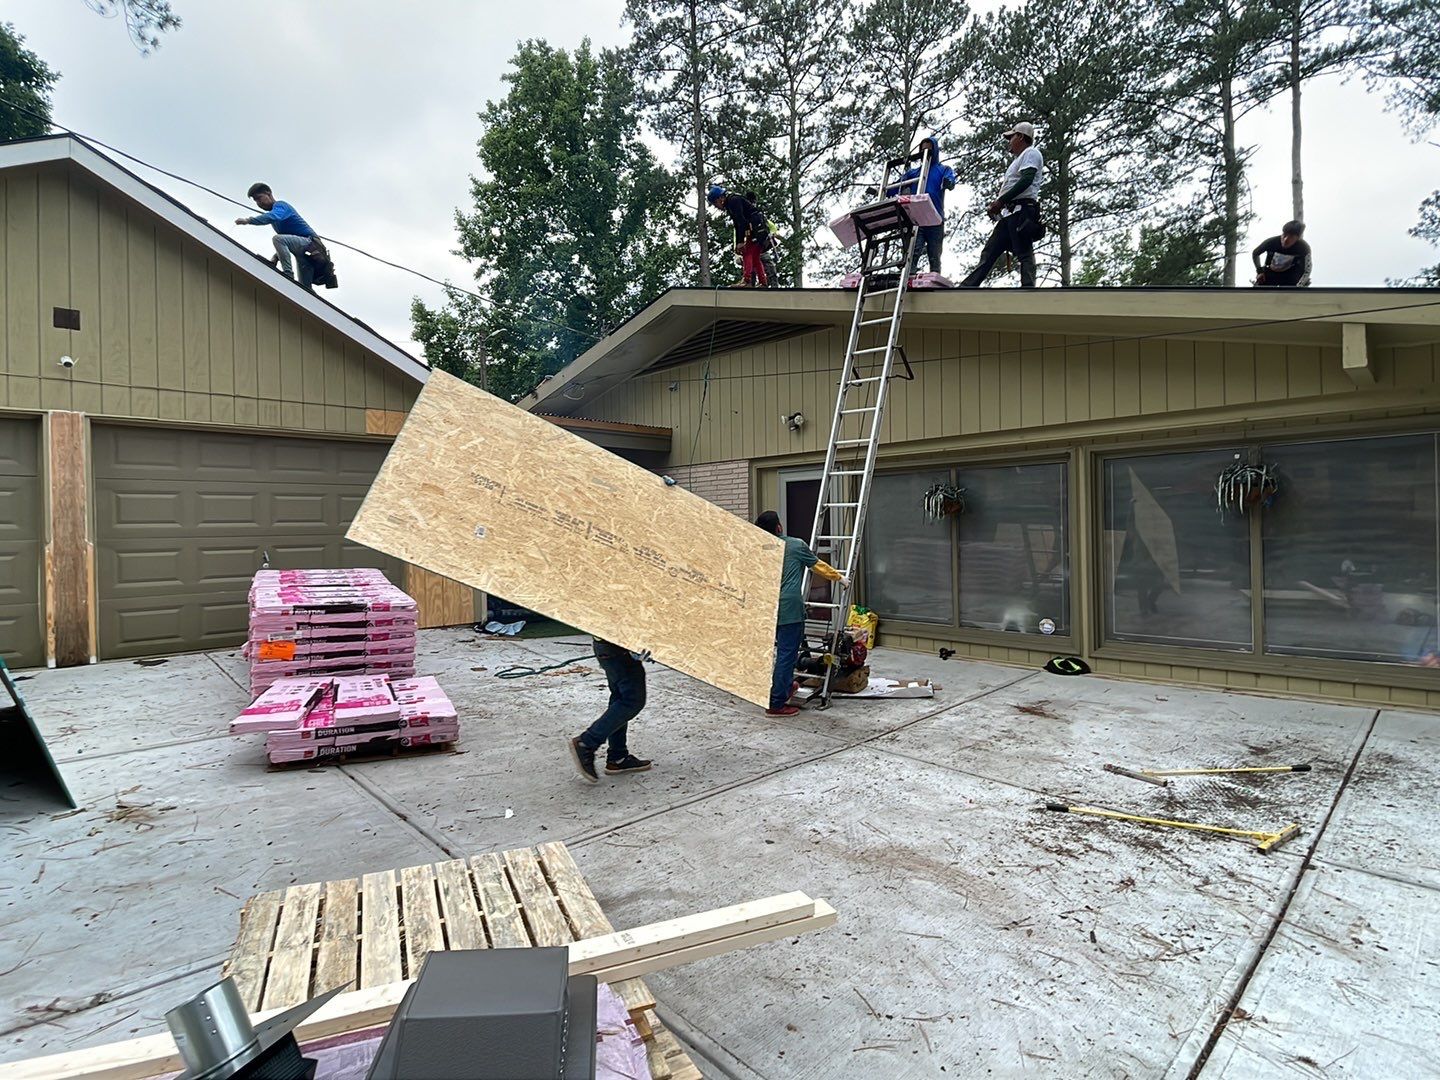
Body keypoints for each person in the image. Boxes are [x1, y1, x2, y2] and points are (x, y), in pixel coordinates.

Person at [755, 510, 846, 717]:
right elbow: (818, 566)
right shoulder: (795, 545)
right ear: (779, 527)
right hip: (789, 609)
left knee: (777, 654)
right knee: (786, 656)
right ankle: (776, 703)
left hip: (766, 608)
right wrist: (839, 578)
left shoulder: (759, 547)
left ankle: (785, 689)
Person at [958, 122, 1045, 289]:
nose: (1009, 142)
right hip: (1010, 214)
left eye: (1011, 137)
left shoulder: (1031, 153)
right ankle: (967, 288)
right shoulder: (1019, 159)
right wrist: (1000, 206)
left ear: (1020, 136)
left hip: (1021, 211)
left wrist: (1001, 201)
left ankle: (1028, 290)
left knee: (1024, 253)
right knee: (989, 252)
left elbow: (1026, 180)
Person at [567, 638, 652, 783]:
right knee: (631, 701)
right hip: (620, 648)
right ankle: (587, 742)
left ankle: (617, 757)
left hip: (606, 647)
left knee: (619, 699)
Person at [235, 184, 337, 292]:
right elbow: (287, 242)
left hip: (311, 244)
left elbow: (273, 217)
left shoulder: (280, 206)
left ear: (268, 193)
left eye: (259, 198)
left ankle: (288, 275)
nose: (258, 203)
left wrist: (248, 220)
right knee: (304, 289)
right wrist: (275, 259)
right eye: (256, 201)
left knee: (277, 239)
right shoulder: (276, 221)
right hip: (303, 253)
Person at [887, 136, 957, 275]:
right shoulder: (914, 173)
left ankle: (934, 278)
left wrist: (949, 182)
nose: (926, 153)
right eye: (923, 150)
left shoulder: (943, 169)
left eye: (929, 150)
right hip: (917, 218)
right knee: (913, 250)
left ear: (935, 151)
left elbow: (950, 178)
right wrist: (883, 190)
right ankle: (908, 276)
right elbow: (897, 186)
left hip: (935, 218)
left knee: (934, 254)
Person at [708, 185, 770, 287]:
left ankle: (746, 280)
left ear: (720, 198)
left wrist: (741, 242)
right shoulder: (731, 202)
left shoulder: (733, 201)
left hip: (754, 227)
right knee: (755, 257)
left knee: (747, 252)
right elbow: (737, 224)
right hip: (759, 228)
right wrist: (738, 243)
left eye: (715, 204)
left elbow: (741, 221)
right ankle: (763, 282)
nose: (717, 207)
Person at [1252, 220, 1312, 287]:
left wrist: (1299, 286)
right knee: (1261, 281)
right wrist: (1259, 271)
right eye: (1284, 235)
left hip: (1290, 275)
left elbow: (1307, 269)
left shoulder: (1303, 247)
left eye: (1291, 237)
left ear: (1297, 238)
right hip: (1271, 272)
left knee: (1295, 278)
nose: (1286, 239)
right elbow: (1255, 253)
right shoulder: (1272, 242)